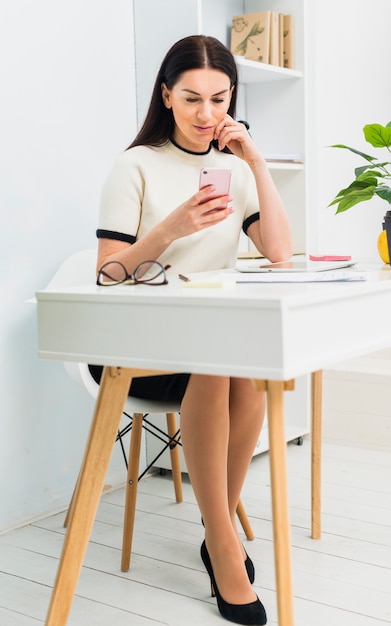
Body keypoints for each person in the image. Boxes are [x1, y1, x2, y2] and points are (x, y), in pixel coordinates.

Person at [92, 35, 292, 626]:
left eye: (219, 98)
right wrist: (172, 228)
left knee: (242, 369)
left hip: (214, 346)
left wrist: (255, 161)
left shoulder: (232, 166)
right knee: (219, 359)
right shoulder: (135, 165)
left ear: (231, 99)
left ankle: (217, 529)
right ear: (166, 96)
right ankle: (224, 547)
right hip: (136, 346)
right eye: (192, 98)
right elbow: (107, 274)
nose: (207, 114)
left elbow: (280, 252)